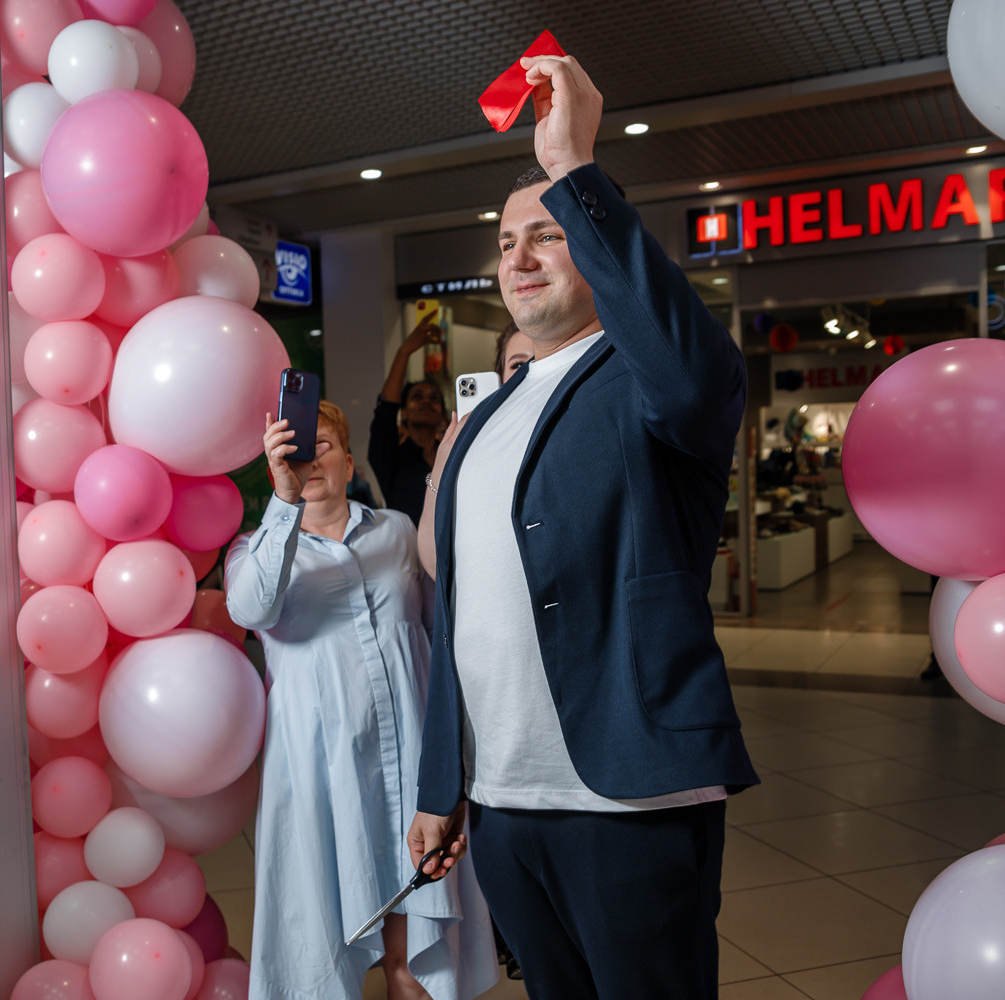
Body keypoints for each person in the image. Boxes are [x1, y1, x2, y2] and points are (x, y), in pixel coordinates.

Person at [406, 52, 758, 1000]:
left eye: (547, 235)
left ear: (597, 252)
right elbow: (459, 605)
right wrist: (446, 785)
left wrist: (574, 170)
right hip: (505, 803)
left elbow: (695, 372)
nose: (515, 258)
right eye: (506, 240)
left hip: (629, 789)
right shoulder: (484, 416)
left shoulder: (651, 381)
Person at [225, 401, 498, 1000]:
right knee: (322, 919)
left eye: (321, 444)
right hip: (319, 768)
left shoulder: (397, 532)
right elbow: (250, 608)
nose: (309, 457)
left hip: (409, 756)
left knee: (414, 952)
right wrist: (285, 503)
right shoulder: (253, 549)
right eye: (294, 448)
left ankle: (408, 974)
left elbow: (436, 633)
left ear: (349, 462)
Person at [418, 321, 534, 579]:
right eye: (517, 364)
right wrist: (442, 464)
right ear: (500, 378)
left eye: (539, 359)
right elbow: (436, 561)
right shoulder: (477, 451)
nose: (529, 370)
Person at [369, 311, 448, 524]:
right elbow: (385, 411)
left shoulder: (452, 455)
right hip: (409, 552)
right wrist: (404, 352)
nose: (426, 402)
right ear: (403, 411)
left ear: (442, 413)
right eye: (417, 397)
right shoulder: (391, 458)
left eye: (434, 398)